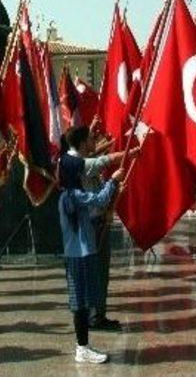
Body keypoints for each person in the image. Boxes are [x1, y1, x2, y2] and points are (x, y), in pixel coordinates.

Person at [63, 125, 138, 332]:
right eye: (90, 139)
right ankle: (94, 317)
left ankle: (95, 315)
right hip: (88, 226)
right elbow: (103, 161)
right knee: (95, 271)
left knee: (96, 271)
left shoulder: (75, 159)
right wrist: (129, 154)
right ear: (81, 143)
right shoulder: (73, 162)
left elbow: (97, 159)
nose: (93, 142)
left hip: (92, 222)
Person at [58, 150, 123, 365]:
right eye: (80, 170)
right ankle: (82, 348)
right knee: (80, 304)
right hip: (78, 255)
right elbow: (99, 199)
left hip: (81, 253)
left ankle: (83, 345)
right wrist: (112, 181)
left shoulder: (70, 194)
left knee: (83, 302)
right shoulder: (72, 195)